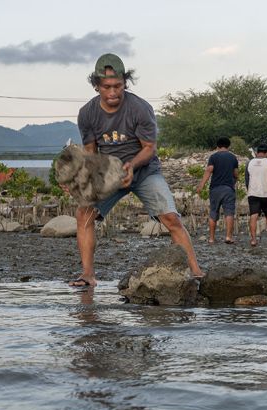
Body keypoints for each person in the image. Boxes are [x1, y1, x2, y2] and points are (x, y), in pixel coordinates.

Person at [69, 53, 204, 287]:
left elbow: (149, 148)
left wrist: (131, 165)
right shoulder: (87, 113)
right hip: (109, 174)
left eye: (118, 86)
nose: (113, 92)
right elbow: (90, 152)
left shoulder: (140, 108)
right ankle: (88, 275)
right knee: (84, 213)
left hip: (144, 171)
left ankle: (196, 272)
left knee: (171, 218)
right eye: (107, 87)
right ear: (97, 86)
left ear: (125, 83)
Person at [196, 137, 239, 244]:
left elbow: (209, 170)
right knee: (229, 212)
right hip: (228, 189)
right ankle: (228, 237)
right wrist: (233, 183)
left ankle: (211, 238)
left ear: (217, 146)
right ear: (228, 146)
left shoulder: (213, 157)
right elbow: (236, 174)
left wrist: (201, 185)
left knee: (213, 212)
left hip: (215, 188)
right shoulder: (233, 157)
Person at [245, 144, 267, 247]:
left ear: (256, 153)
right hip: (266, 194)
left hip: (252, 193)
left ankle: (253, 240)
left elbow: (247, 180)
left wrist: (249, 190)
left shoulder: (249, 163)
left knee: (253, 216)